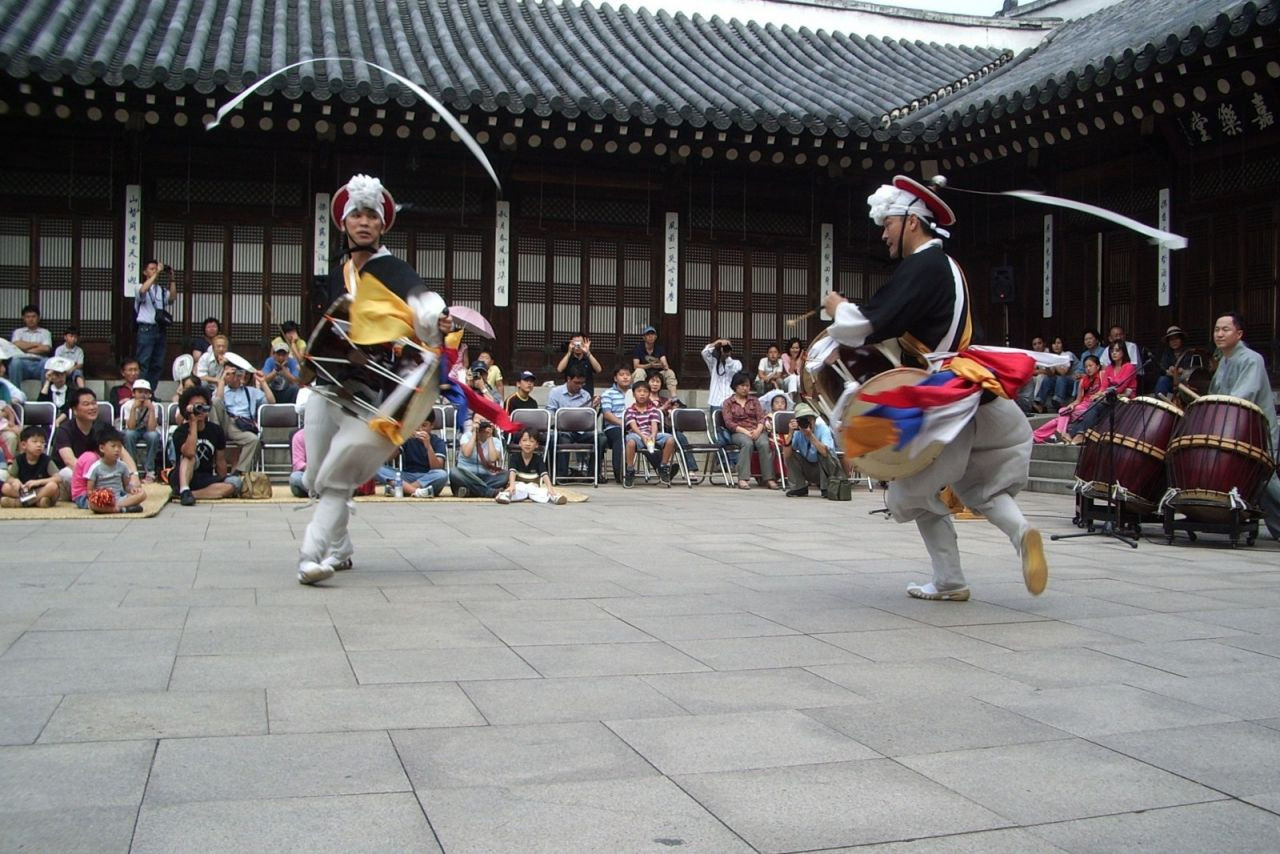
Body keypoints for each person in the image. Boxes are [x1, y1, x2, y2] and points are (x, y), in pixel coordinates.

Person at [824, 174, 1048, 602]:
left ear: (911, 221)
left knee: (913, 489)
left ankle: (949, 580)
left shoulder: (922, 266)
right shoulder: (950, 267)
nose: (884, 233)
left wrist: (839, 309)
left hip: (945, 397)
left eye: (887, 223)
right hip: (977, 386)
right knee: (981, 487)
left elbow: (867, 326)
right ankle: (1022, 533)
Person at [298, 173, 451, 584]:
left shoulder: (393, 269)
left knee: (338, 473)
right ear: (344, 223)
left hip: (372, 393)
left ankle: (311, 555)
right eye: (356, 215)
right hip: (330, 385)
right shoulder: (335, 275)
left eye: (371, 216)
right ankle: (341, 548)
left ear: (382, 224)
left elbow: (422, 301)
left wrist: (437, 317)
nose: (363, 222)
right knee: (314, 475)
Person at [1206, 312, 1280, 539]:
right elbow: (1216, 394)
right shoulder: (1225, 361)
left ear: (1239, 334)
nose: (1219, 333)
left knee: (1265, 479)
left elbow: (1242, 395)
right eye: (1217, 329)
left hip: (1257, 431)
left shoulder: (1251, 358)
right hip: (1235, 430)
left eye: (1225, 329)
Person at [52, 388, 139, 499]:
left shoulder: (101, 426)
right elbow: (70, 461)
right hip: (76, 475)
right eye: (86, 404)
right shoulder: (65, 429)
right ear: (75, 410)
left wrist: (134, 475)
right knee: (67, 473)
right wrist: (101, 475)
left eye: (94, 403)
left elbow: (121, 451)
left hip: (99, 473)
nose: (92, 407)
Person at [172, 385, 239, 505]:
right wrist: (192, 423)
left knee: (234, 483)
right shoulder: (180, 432)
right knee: (190, 458)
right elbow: (189, 452)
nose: (200, 410)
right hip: (184, 476)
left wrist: (223, 479)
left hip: (205, 477)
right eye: (197, 406)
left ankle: (188, 494)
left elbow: (220, 460)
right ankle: (184, 489)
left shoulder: (216, 430)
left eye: (203, 406)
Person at [1066, 341, 1137, 440]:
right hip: (1109, 398)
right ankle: (1078, 433)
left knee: (1096, 406)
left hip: (1125, 399)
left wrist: (1102, 394)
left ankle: (1075, 433)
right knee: (1094, 403)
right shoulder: (1109, 368)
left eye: (1117, 350)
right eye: (1112, 351)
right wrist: (1098, 394)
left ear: (1123, 352)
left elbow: (1120, 388)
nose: (1114, 353)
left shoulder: (1129, 367)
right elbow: (1104, 386)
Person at [721, 370, 778, 490]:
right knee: (746, 443)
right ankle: (743, 478)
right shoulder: (728, 403)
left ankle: (769, 478)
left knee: (764, 443)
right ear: (735, 387)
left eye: (747, 385)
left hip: (756, 429)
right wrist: (746, 432)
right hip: (739, 432)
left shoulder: (754, 401)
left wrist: (758, 430)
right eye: (742, 385)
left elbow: (761, 418)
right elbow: (729, 423)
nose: (745, 388)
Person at [212, 363, 273, 474]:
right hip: (225, 422)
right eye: (227, 374)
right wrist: (221, 381)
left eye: (232, 374)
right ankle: (215, 436)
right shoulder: (222, 390)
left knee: (254, 440)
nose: (229, 376)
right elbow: (217, 402)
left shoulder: (250, 391)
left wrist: (263, 382)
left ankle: (239, 471)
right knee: (215, 401)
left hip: (242, 425)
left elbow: (271, 401)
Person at [374, 411, 448, 498]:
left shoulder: (438, 442)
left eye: (424, 425)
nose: (420, 429)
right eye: (416, 425)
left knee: (442, 475)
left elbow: (437, 468)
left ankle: (403, 490)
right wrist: (400, 439)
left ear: (432, 425)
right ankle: (416, 492)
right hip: (407, 476)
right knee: (376, 468)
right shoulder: (409, 439)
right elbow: (389, 458)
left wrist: (428, 446)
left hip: (428, 476)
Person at [1032, 355, 1102, 444]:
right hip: (1081, 406)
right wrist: (1072, 405)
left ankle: (1042, 434)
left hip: (1091, 407)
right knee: (1064, 411)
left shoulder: (1101, 375)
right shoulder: (1083, 380)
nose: (1088, 369)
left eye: (1090, 366)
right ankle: (1053, 434)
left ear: (1098, 366)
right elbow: (1078, 400)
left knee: (1062, 414)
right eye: (1086, 367)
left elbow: (1103, 390)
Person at [546, 362, 598, 479]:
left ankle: (592, 475)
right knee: (562, 438)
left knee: (600, 438)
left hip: (582, 431)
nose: (579, 386)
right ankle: (562, 475)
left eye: (582, 383)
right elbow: (550, 414)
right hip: (563, 431)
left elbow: (588, 418)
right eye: (576, 383)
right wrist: (563, 420)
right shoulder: (555, 393)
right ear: (568, 379)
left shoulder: (586, 395)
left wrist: (593, 408)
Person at [623, 376, 676, 487]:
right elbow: (633, 426)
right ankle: (629, 469)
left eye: (645, 392)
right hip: (637, 435)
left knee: (670, 439)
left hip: (651, 435)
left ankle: (663, 466)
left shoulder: (652, 409)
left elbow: (654, 425)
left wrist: (653, 435)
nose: (642, 394)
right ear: (633, 394)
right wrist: (642, 436)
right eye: (639, 391)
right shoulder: (630, 410)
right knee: (631, 442)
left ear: (649, 394)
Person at [83, 427, 146, 514]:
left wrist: (132, 489)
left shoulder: (123, 466)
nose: (117, 450)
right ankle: (121, 509)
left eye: (119, 446)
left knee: (142, 494)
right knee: (91, 504)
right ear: (102, 448)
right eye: (113, 446)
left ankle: (118, 507)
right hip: (103, 500)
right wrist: (98, 496)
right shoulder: (95, 467)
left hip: (119, 498)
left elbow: (126, 486)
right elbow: (90, 490)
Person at [495, 429, 567, 505]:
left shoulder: (538, 459)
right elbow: (512, 472)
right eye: (524, 440)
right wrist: (512, 485)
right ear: (520, 443)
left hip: (533, 487)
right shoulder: (514, 457)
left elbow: (544, 474)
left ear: (536, 445)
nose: (528, 444)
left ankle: (554, 497)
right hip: (519, 485)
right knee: (515, 491)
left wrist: (550, 488)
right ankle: (504, 496)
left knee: (542, 492)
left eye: (531, 441)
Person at [135, 258, 177, 389]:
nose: (155, 271)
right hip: (146, 329)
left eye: (156, 268)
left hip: (160, 329)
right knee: (143, 362)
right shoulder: (139, 286)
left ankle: (151, 392)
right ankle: (140, 391)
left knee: (157, 363)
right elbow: (143, 291)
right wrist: (157, 273)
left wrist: (172, 279)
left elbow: (172, 299)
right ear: (145, 272)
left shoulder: (161, 290)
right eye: (151, 269)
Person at [784, 402, 840, 497]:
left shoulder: (823, 429)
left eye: (809, 419)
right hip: (809, 467)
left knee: (823, 451)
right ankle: (799, 488)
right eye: (804, 420)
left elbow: (826, 453)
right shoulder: (798, 433)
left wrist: (810, 436)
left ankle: (826, 487)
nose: (808, 422)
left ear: (814, 419)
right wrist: (790, 434)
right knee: (791, 454)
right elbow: (787, 455)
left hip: (826, 470)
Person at [2, 425, 61, 508]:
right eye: (35, 441)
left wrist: (38, 482)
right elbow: (10, 477)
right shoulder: (18, 459)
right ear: (23, 445)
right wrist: (15, 481)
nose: (39, 445)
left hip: (41, 489)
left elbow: (58, 478)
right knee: (6, 487)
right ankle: (37, 502)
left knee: (53, 486)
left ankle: (22, 502)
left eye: (42, 442)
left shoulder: (46, 460)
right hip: (25, 491)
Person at [449, 420, 508, 497]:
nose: (481, 425)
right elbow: (467, 453)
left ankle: (471, 491)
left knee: (505, 475)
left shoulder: (495, 441)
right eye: (478, 422)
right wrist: (474, 434)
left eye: (483, 422)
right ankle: (488, 492)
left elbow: (493, 459)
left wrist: (490, 437)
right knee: (454, 472)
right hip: (466, 475)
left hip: (485, 476)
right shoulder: (466, 436)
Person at [120, 379, 163, 481]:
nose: (143, 395)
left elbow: (151, 429)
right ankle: (132, 468)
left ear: (150, 394)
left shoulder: (154, 406)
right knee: (128, 434)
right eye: (139, 392)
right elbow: (130, 427)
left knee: (154, 436)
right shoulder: (128, 405)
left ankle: (150, 470)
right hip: (134, 430)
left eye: (146, 392)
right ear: (134, 393)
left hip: (147, 431)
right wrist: (134, 409)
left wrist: (151, 409)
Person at [599, 364, 631, 484]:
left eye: (627, 375)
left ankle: (662, 469)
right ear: (615, 378)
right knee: (620, 434)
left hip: (634, 427)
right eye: (622, 375)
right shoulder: (608, 394)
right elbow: (607, 415)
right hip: (614, 427)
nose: (625, 377)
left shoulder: (636, 393)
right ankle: (620, 473)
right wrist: (623, 424)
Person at [9, 305, 52, 386]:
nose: (31, 319)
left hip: (39, 363)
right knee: (14, 362)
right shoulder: (18, 332)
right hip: (22, 363)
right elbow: (15, 345)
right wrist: (37, 344)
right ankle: (16, 395)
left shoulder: (45, 332)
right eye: (28, 317)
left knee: (46, 362)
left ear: (38, 318)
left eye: (33, 316)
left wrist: (24, 348)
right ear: (24, 318)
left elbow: (46, 348)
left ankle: (44, 395)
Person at [631, 325, 678, 395]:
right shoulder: (638, 348)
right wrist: (649, 365)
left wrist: (659, 364)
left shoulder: (660, 348)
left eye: (652, 334)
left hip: (657, 375)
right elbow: (636, 366)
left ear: (656, 337)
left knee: (670, 372)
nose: (650, 336)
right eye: (648, 334)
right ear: (644, 337)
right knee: (639, 371)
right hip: (645, 374)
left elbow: (666, 366)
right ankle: (638, 396)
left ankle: (674, 398)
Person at [1154, 325, 1192, 400]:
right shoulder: (1167, 353)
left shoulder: (1189, 352)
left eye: (1176, 338)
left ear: (1181, 339)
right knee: (1162, 380)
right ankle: (1158, 403)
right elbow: (1163, 369)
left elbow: (1193, 369)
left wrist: (1183, 371)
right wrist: (1169, 371)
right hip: (1172, 382)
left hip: (1186, 382)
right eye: (1171, 340)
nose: (1174, 342)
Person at [262, 339, 302, 404]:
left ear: (288, 354)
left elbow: (295, 381)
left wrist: (284, 370)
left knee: (295, 388)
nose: (281, 357)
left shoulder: (293, 362)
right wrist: (275, 371)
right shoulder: (269, 361)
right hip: (272, 391)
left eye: (283, 354)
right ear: (274, 354)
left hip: (287, 391)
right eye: (278, 354)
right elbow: (264, 380)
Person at [289, 427, 308, 498]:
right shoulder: (299, 436)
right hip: (309, 474)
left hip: (329, 476)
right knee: (295, 477)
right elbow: (298, 463)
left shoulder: (334, 434)